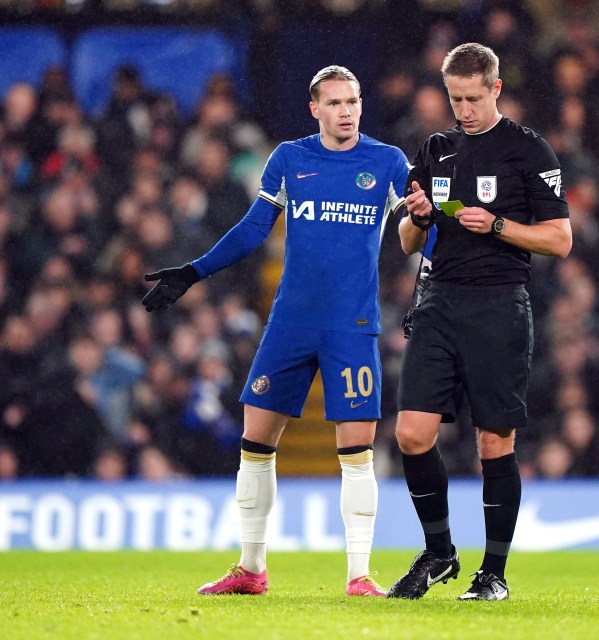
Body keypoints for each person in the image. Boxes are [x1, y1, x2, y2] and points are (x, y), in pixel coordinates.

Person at [141, 66, 409, 597]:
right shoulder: (290, 157)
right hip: (290, 322)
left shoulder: (387, 162)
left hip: (351, 325)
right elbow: (253, 228)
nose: (347, 111)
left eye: (353, 100)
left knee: (356, 450)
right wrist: (193, 272)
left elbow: (414, 231)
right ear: (315, 108)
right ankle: (250, 568)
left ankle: (359, 575)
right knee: (255, 441)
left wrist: (431, 265)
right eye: (334, 103)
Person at [386, 43, 572, 602]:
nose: (463, 109)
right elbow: (405, 242)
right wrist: (417, 219)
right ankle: (440, 552)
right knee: (411, 434)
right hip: (439, 300)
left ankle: (493, 574)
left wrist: (497, 227)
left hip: (498, 304)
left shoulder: (527, 149)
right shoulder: (436, 150)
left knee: (495, 441)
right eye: (454, 98)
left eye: (472, 97)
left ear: (495, 89)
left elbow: (560, 240)